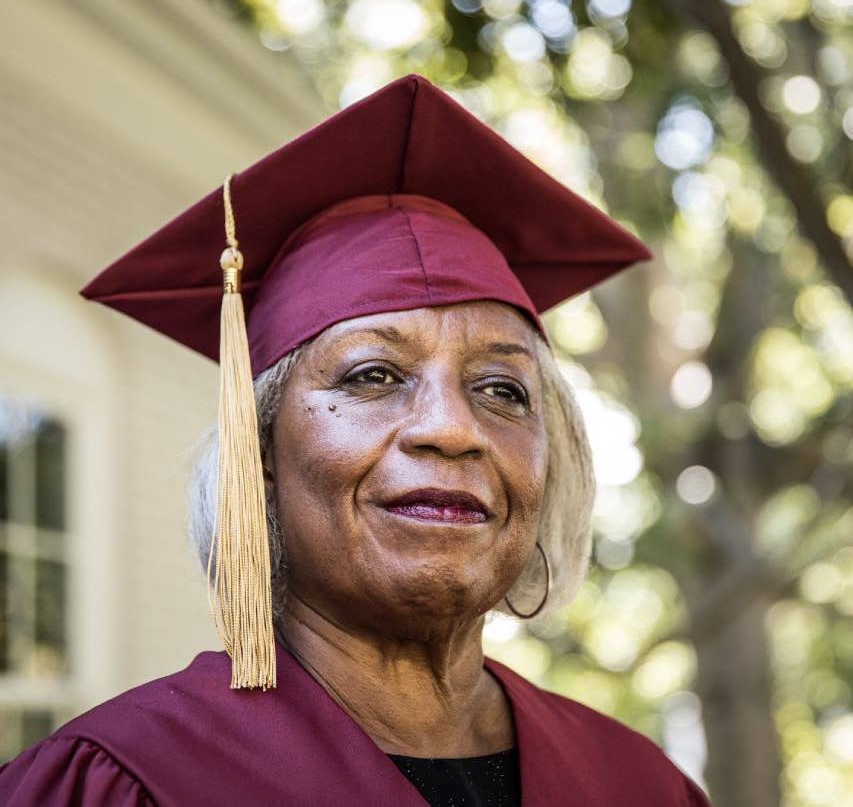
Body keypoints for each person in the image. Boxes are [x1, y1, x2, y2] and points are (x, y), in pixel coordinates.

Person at [0, 74, 711, 806]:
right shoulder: (121, 782)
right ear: (261, 452)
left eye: (503, 390)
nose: (451, 428)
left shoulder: (636, 783)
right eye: (373, 375)